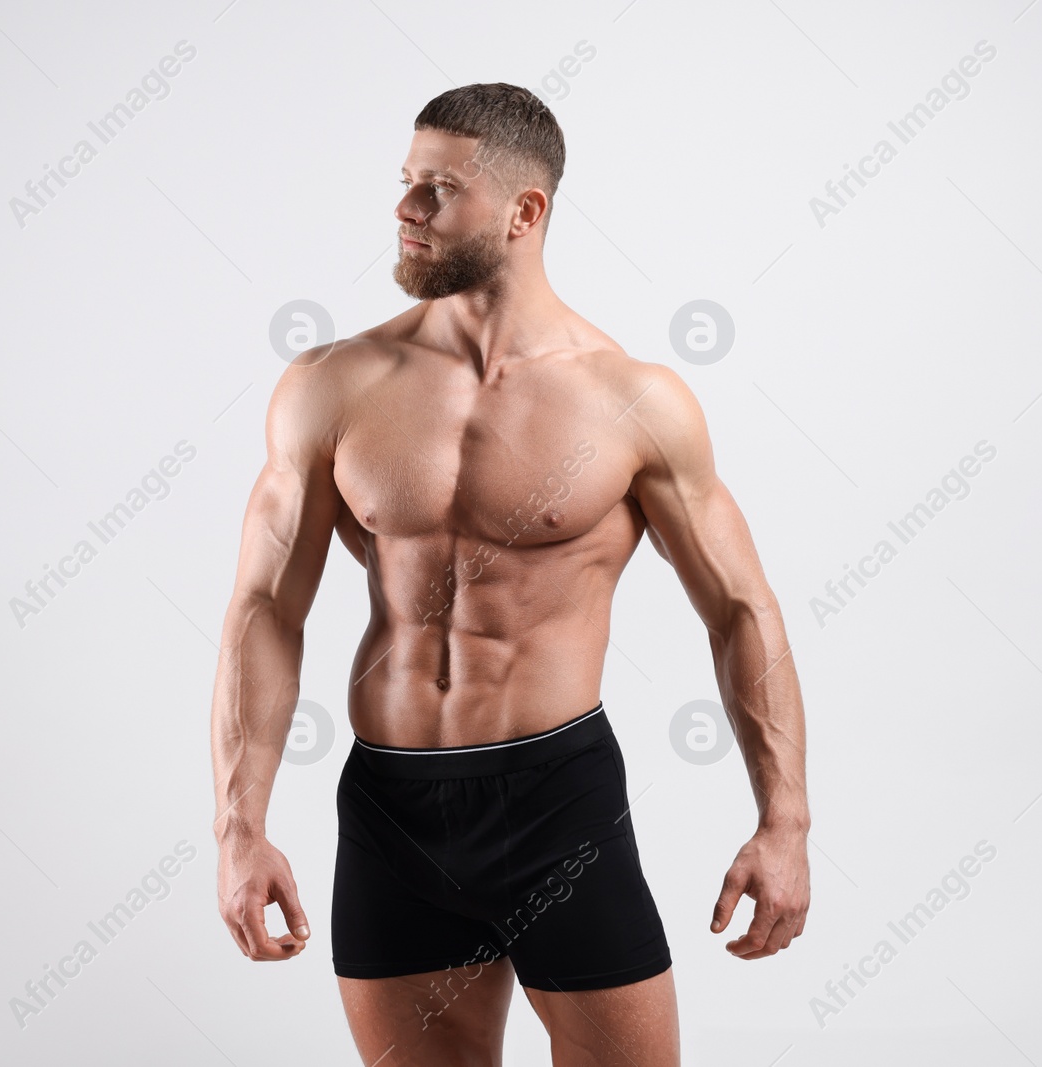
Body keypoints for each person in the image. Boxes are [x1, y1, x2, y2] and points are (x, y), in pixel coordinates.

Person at [210, 82, 810, 1067]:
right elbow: (265, 609)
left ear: (524, 213)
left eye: (436, 190)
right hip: (389, 808)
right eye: (404, 184)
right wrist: (241, 825)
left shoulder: (630, 400)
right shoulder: (331, 385)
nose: (403, 209)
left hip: (554, 801)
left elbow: (741, 606)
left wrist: (782, 822)